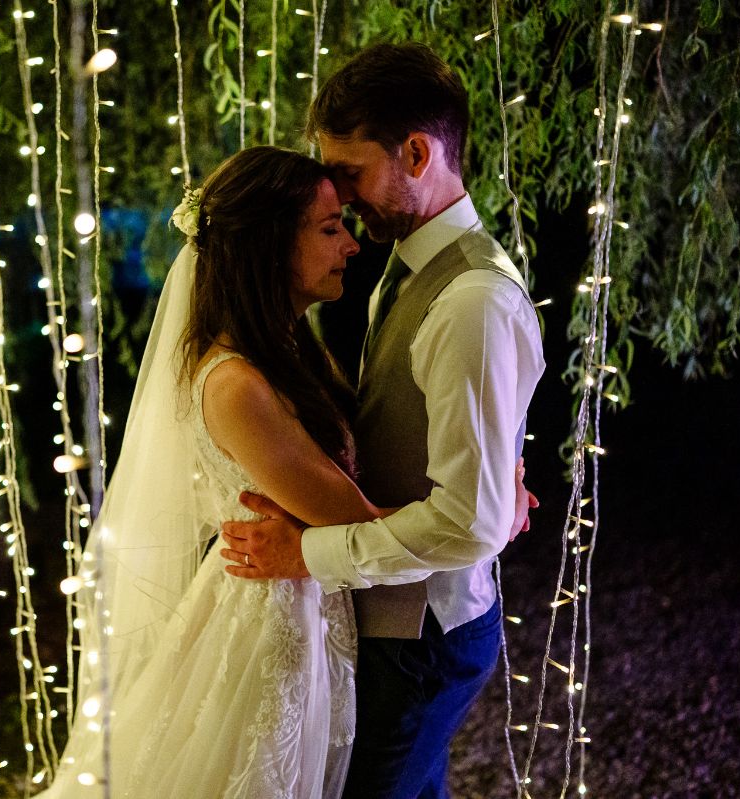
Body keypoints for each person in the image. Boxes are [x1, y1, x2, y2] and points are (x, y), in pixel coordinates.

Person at [219, 43, 546, 798]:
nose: (341, 198)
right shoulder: (402, 274)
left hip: (422, 631)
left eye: (350, 173)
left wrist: (309, 552)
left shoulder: (472, 301)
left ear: (419, 151)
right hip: (394, 621)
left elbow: (468, 524)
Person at [40, 145, 406, 798]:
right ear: (268, 247)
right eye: (329, 228)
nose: (350, 245)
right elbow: (353, 516)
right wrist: (474, 507)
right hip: (270, 629)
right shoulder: (237, 383)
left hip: (306, 602)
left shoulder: (290, 351)